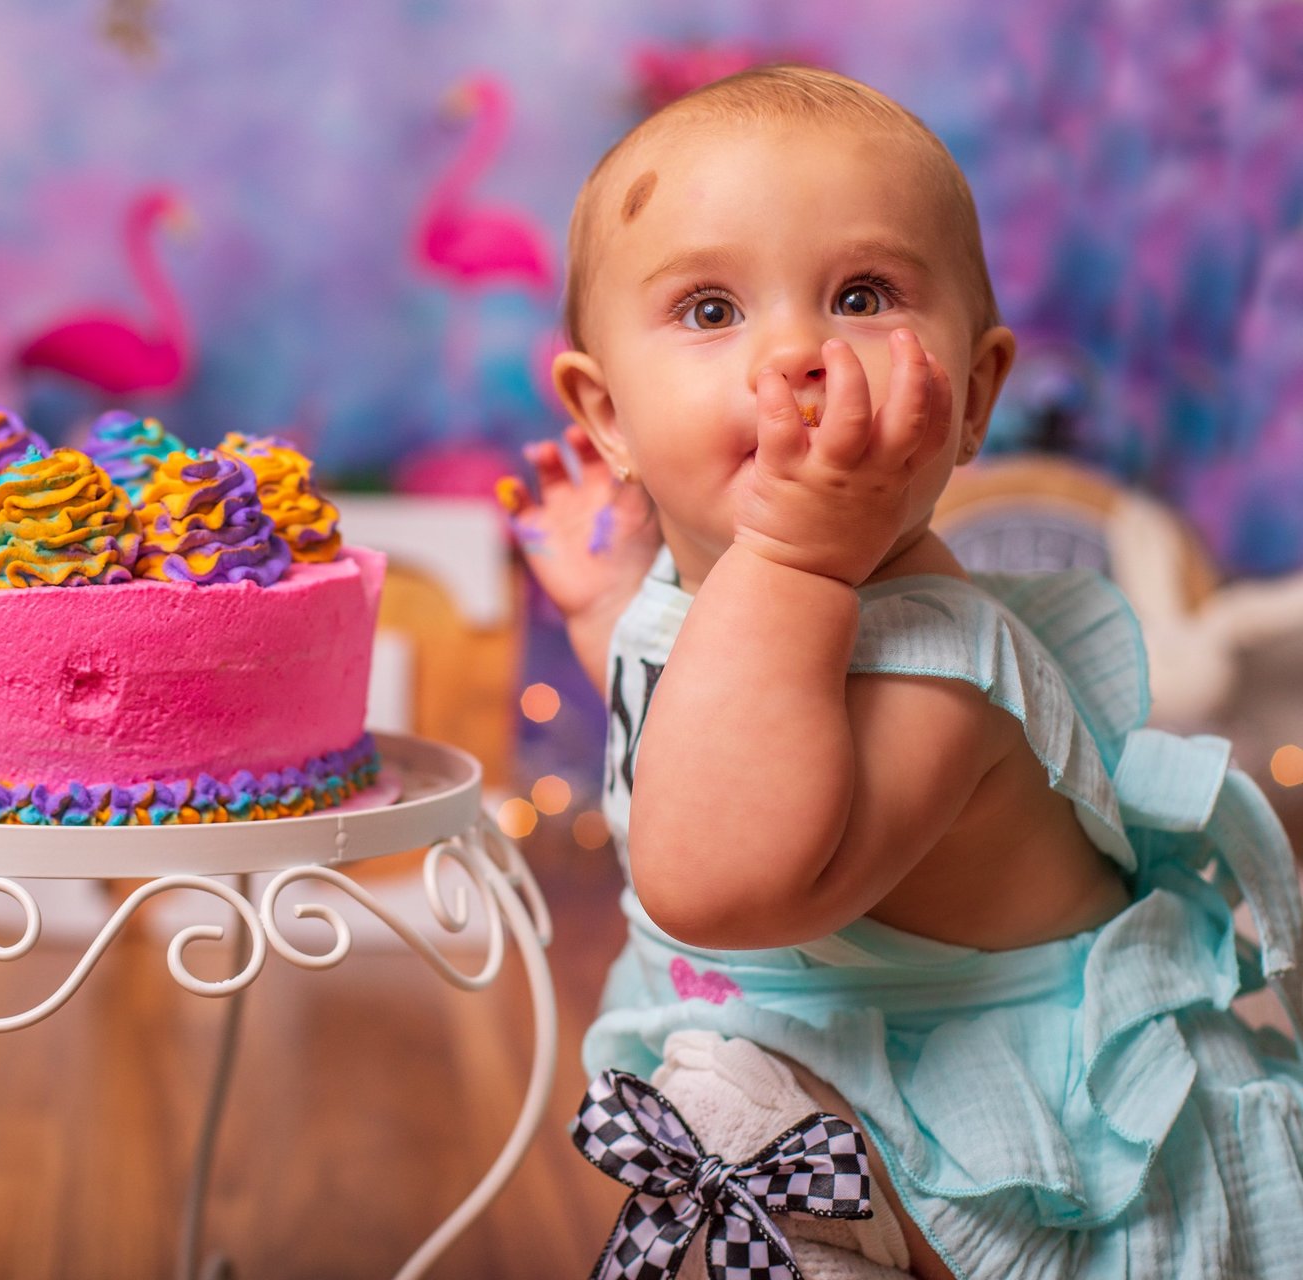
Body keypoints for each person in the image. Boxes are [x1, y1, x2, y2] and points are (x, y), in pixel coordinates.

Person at [504, 63, 1303, 1279]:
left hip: (1015, 1157)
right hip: (823, 1085)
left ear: (973, 396)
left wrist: (793, 550)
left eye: (863, 295)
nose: (796, 355)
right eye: (712, 311)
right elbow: (685, 707)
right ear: (606, 413)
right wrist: (616, 608)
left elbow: (712, 880)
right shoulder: (708, 605)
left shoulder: (942, 672)